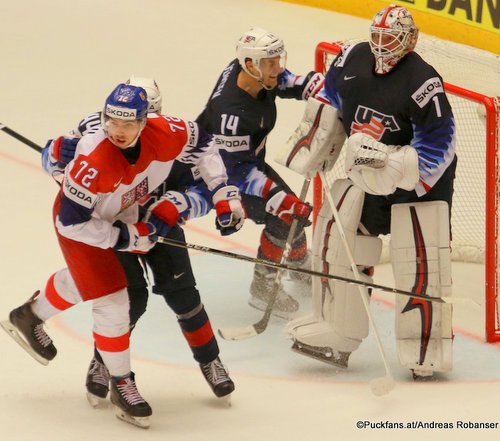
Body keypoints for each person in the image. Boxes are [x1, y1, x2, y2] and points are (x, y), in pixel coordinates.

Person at [1, 83, 244, 428]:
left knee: (162, 291)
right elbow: (69, 217)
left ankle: (30, 315)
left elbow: (204, 145)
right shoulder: (93, 156)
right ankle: (120, 382)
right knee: (118, 300)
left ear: (148, 120)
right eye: (113, 121)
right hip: (91, 225)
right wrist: (123, 237)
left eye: (129, 123)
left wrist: (220, 191)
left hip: (135, 217)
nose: (119, 130)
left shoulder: (168, 132)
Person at [287, 5, 457, 379]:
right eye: (376, 37)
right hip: (363, 173)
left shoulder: (424, 83)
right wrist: (320, 143)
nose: (381, 46)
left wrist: (388, 163)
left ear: (410, 40)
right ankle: (338, 330)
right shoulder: (351, 56)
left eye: (391, 39)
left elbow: (439, 149)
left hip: (419, 186)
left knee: (420, 261)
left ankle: (424, 348)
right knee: (336, 237)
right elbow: (330, 100)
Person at [167, 27, 324, 319]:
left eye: (278, 60)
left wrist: (313, 86)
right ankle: (262, 288)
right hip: (219, 178)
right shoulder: (232, 113)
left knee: (293, 215)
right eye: (271, 63)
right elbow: (238, 175)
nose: (278, 68)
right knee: (284, 214)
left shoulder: (251, 72)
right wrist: (279, 199)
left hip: (243, 162)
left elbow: (281, 82)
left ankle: (300, 267)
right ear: (251, 65)